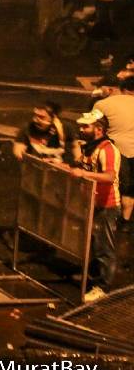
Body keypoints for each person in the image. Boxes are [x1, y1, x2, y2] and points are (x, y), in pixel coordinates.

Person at [70, 109, 121, 301]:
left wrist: (84, 174)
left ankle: (103, 287)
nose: (81, 129)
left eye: (86, 126)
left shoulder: (107, 149)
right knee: (92, 242)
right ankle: (92, 275)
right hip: (93, 202)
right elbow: (81, 167)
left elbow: (109, 177)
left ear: (98, 129)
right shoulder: (90, 147)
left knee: (104, 247)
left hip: (107, 205)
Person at [93, 76, 134, 229]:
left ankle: (109, 221)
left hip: (115, 150)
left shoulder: (102, 104)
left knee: (114, 187)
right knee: (130, 189)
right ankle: (126, 222)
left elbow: (91, 127)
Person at [12, 102, 77, 163]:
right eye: (36, 115)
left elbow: (75, 147)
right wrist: (19, 152)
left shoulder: (65, 127)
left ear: (53, 117)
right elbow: (18, 145)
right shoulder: (28, 127)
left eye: (41, 117)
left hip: (61, 166)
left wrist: (77, 160)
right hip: (36, 165)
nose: (36, 120)